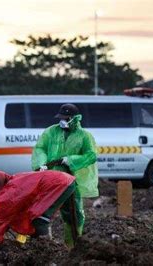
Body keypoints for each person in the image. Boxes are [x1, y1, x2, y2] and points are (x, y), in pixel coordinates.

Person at [31, 103, 98, 247]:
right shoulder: (51, 131)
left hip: (72, 182)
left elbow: (91, 155)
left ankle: (73, 245)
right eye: (61, 118)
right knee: (43, 210)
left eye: (65, 118)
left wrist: (71, 160)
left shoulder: (84, 136)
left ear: (74, 118)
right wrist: (41, 164)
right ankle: (42, 243)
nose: (62, 121)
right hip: (52, 179)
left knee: (74, 215)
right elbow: (40, 148)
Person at [0, 170, 76, 249]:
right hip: (63, 180)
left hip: (60, 183)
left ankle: (47, 250)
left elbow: (1, 218)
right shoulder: (15, 181)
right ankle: (39, 244)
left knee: (39, 218)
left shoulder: (9, 194)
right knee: (35, 217)